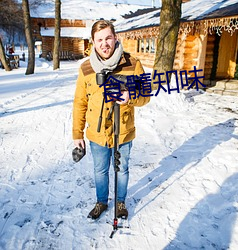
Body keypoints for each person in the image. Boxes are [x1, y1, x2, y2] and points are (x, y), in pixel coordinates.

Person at [72, 20, 150, 220]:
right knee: (100, 170)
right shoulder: (86, 68)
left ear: (115, 38)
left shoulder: (133, 64)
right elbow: (80, 102)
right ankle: (101, 202)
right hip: (97, 134)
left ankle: (121, 202)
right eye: (99, 40)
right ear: (93, 42)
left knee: (122, 169)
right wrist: (77, 134)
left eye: (108, 38)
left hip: (123, 131)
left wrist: (129, 97)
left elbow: (146, 95)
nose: (104, 43)